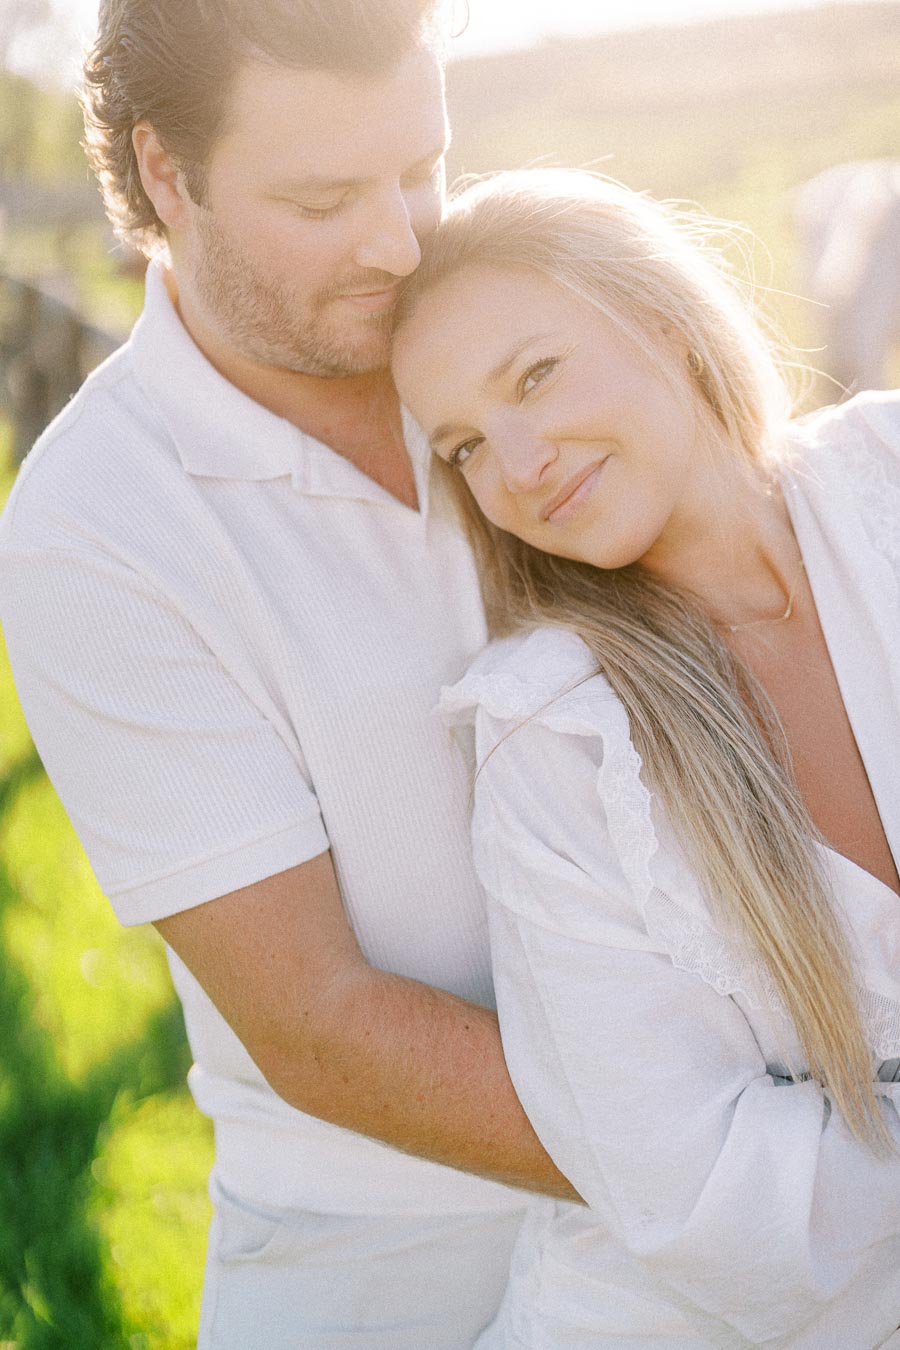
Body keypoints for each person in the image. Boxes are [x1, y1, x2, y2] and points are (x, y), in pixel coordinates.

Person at [0, 8, 582, 1348]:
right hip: (393, 1261)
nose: (402, 241)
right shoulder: (95, 529)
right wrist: (735, 1158)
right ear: (165, 173)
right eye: (323, 198)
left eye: (422, 166)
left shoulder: (535, 323)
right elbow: (320, 1022)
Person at [392, 168, 900, 1348]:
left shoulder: (886, 480)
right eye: (465, 444)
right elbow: (701, 1201)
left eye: (536, 374)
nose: (517, 465)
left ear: (664, 320)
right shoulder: (556, 741)